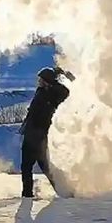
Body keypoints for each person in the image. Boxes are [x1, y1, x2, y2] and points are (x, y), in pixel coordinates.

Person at [20, 65, 73, 198]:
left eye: (41, 79)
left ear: (47, 81)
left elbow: (64, 92)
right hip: (31, 132)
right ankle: (61, 190)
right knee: (34, 166)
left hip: (39, 134)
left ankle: (62, 191)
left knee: (40, 166)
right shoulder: (42, 91)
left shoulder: (52, 94)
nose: (39, 81)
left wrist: (54, 80)